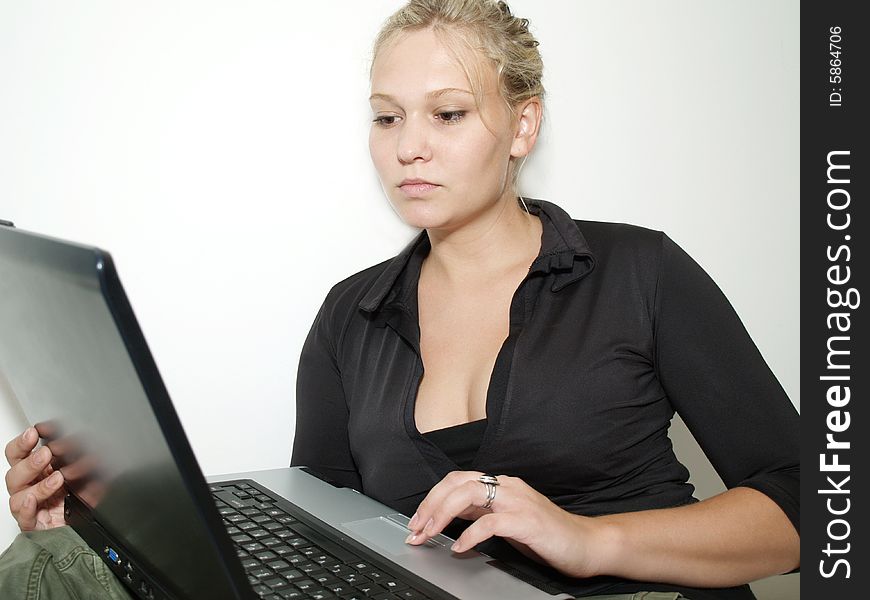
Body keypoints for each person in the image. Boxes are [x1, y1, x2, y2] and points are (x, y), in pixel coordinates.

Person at [2, 1, 798, 599]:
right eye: (386, 118)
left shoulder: (638, 270)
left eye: (447, 114)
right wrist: (102, 535)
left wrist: (586, 540)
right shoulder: (351, 314)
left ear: (523, 127)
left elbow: (817, 506)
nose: (407, 146)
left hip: (635, 594)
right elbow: (314, 527)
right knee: (43, 568)